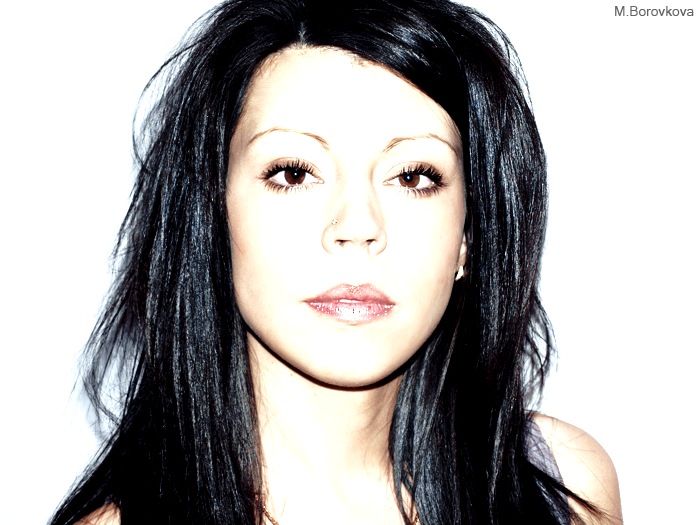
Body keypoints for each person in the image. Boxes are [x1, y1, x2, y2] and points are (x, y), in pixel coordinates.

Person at [51, 0, 622, 524]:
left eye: (413, 177)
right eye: (294, 173)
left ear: (468, 237)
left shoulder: (564, 491)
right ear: (213, 217)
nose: (357, 226)